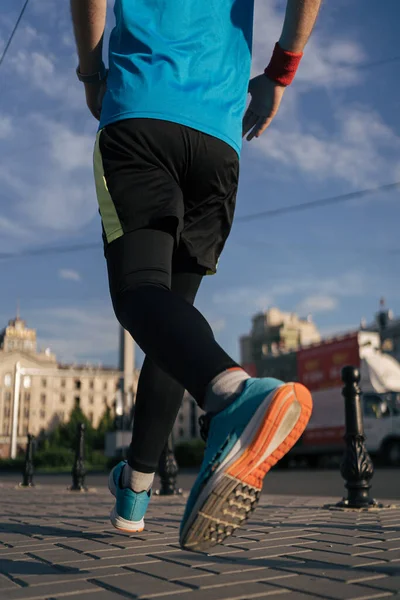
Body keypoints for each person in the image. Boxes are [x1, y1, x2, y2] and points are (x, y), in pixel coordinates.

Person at [70, 0, 321, 553]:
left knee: (140, 293)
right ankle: (133, 495)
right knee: (169, 327)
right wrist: (280, 75)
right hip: (217, 136)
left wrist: (92, 74)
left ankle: (234, 395)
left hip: (141, 112)